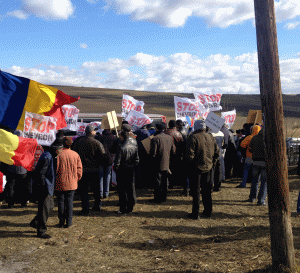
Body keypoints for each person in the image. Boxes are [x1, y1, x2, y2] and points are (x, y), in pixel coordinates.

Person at [186, 120, 220, 219]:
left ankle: (195, 213)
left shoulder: (193, 137)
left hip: (196, 169)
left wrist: (190, 167)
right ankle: (208, 211)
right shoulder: (211, 137)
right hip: (208, 168)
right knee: (207, 191)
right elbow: (217, 152)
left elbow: (189, 156)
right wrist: (212, 164)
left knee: (196, 192)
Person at [72, 125, 106, 215]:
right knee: (96, 189)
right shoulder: (97, 143)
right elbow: (103, 155)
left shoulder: (78, 142)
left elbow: (74, 154)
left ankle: (85, 208)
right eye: (94, 131)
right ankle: (97, 205)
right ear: (91, 132)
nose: (95, 132)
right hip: (95, 169)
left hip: (83, 170)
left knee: (84, 191)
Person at [30, 145, 57, 239]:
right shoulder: (47, 157)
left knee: (50, 205)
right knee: (44, 209)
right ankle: (41, 231)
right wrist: (43, 187)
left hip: (47, 186)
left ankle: (35, 222)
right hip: (44, 187)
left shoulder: (49, 155)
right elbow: (41, 173)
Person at [55, 137, 83, 228]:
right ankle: (69, 222)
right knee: (69, 203)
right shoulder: (75, 154)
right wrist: (76, 178)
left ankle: (62, 222)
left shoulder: (58, 155)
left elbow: (56, 169)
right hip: (72, 182)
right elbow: (79, 169)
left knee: (61, 202)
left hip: (60, 182)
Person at [114, 128, 139, 214]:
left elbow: (117, 162)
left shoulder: (121, 147)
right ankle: (130, 207)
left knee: (122, 190)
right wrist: (132, 166)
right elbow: (137, 160)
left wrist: (116, 169)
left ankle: (123, 208)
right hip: (130, 169)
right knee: (130, 188)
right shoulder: (134, 145)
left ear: (121, 137)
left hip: (122, 170)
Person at [150, 122, 176, 203]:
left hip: (157, 163)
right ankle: (164, 197)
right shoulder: (169, 138)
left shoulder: (155, 138)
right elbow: (173, 151)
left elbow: (153, 154)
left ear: (157, 129)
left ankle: (157, 199)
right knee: (165, 181)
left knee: (157, 181)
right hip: (167, 162)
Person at [95, 128, 118, 198]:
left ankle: (101, 193)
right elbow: (115, 149)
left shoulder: (100, 137)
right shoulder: (113, 137)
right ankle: (106, 193)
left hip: (101, 159)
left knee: (101, 176)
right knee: (108, 175)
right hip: (109, 159)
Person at [248, 130, 267, 205]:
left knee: (254, 181)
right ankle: (261, 200)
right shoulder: (267, 139)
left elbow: (250, 149)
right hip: (265, 162)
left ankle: (252, 197)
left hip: (255, 161)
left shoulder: (254, 138)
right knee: (264, 182)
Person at [166, 120, 184, 189]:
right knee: (174, 169)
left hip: (167, 154)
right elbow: (181, 145)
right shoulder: (178, 134)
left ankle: (168, 183)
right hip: (176, 155)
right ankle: (173, 183)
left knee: (167, 169)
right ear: (175, 125)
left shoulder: (165, 132)